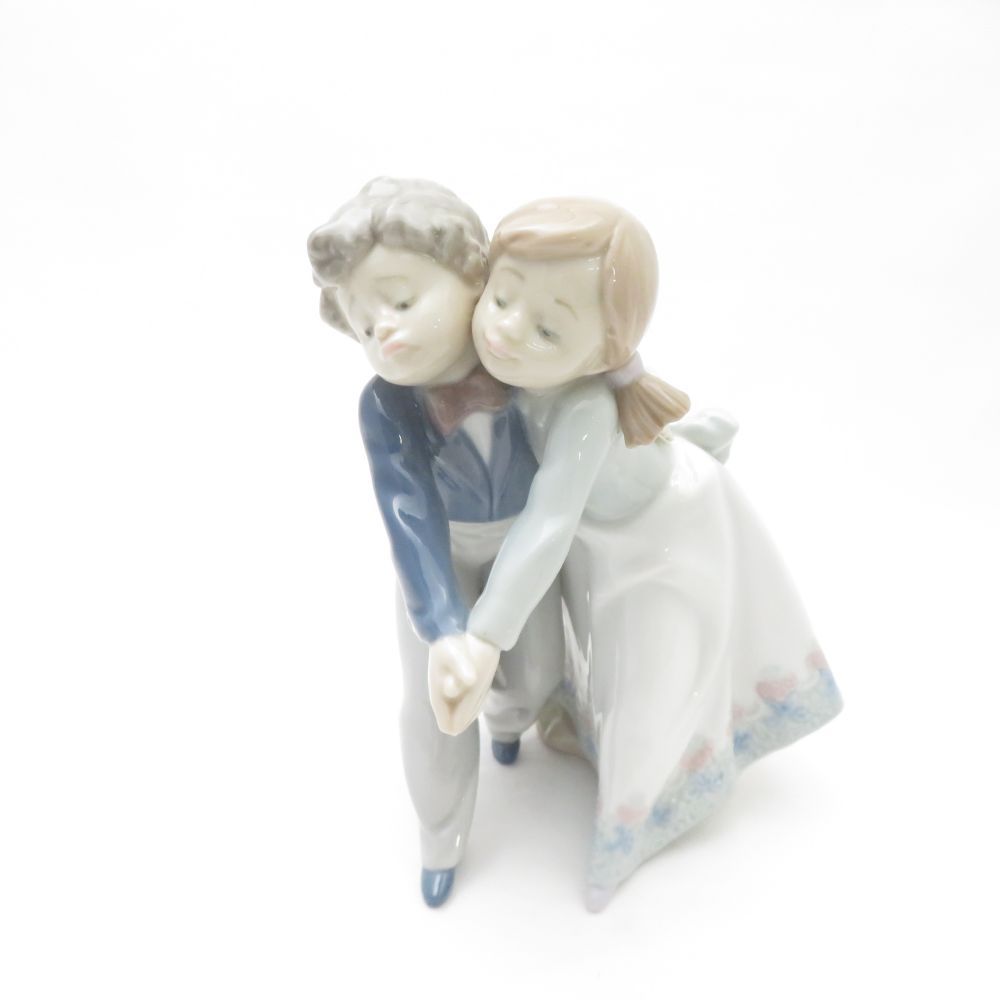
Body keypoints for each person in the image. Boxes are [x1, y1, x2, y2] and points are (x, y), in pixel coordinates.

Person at [430, 197, 843, 911]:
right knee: (590, 644)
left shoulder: (585, 408)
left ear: (603, 354)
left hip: (664, 536)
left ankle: (635, 819)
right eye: (500, 297)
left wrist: (486, 635)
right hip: (603, 535)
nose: (507, 329)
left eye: (548, 329)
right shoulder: (508, 376)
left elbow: (548, 521)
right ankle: (577, 727)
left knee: (653, 679)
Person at [306, 178, 565, 908]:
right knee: (436, 700)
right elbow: (407, 509)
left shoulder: (527, 367)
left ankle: (513, 720)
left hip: (525, 547)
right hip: (440, 558)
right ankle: (440, 835)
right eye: (364, 325)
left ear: (474, 279)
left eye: (400, 301)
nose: (383, 331)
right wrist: (446, 628)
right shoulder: (387, 405)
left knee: (535, 672)